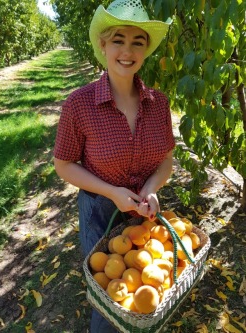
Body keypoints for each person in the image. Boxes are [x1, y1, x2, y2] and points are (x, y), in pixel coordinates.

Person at [54, 0, 175, 332]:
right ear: (103, 45)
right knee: (109, 306)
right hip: (100, 214)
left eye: (138, 41)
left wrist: (150, 189)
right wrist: (112, 192)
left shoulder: (159, 103)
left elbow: (166, 160)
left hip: (144, 217)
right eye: (119, 39)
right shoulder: (79, 104)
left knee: (145, 298)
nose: (128, 50)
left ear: (146, 50)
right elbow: (63, 164)